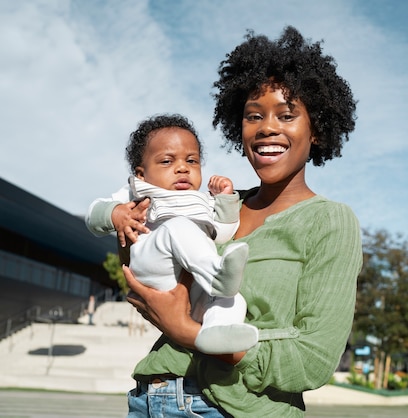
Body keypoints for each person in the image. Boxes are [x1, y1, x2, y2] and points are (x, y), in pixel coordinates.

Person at [114, 26, 360, 417]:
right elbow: (143, 271)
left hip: (235, 409)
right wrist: (125, 220)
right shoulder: (213, 206)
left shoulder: (330, 221)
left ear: (317, 130)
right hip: (149, 396)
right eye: (253, 116)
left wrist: (189, 333)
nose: (267, 127)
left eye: (287, 114)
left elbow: (312, 359)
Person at [86, 114, 258, 355]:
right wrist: (116, 214)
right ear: (141, 174)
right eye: (167, 161)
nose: (182, 168)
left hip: (196, 282)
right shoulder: (137, 193)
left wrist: (226, 200)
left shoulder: (203, 200)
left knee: (233, 300)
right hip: (155, 264)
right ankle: (218, 276)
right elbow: (93, 215)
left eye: (192, 161)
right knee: (177, 227)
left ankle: (216, 332)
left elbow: (223, 234)